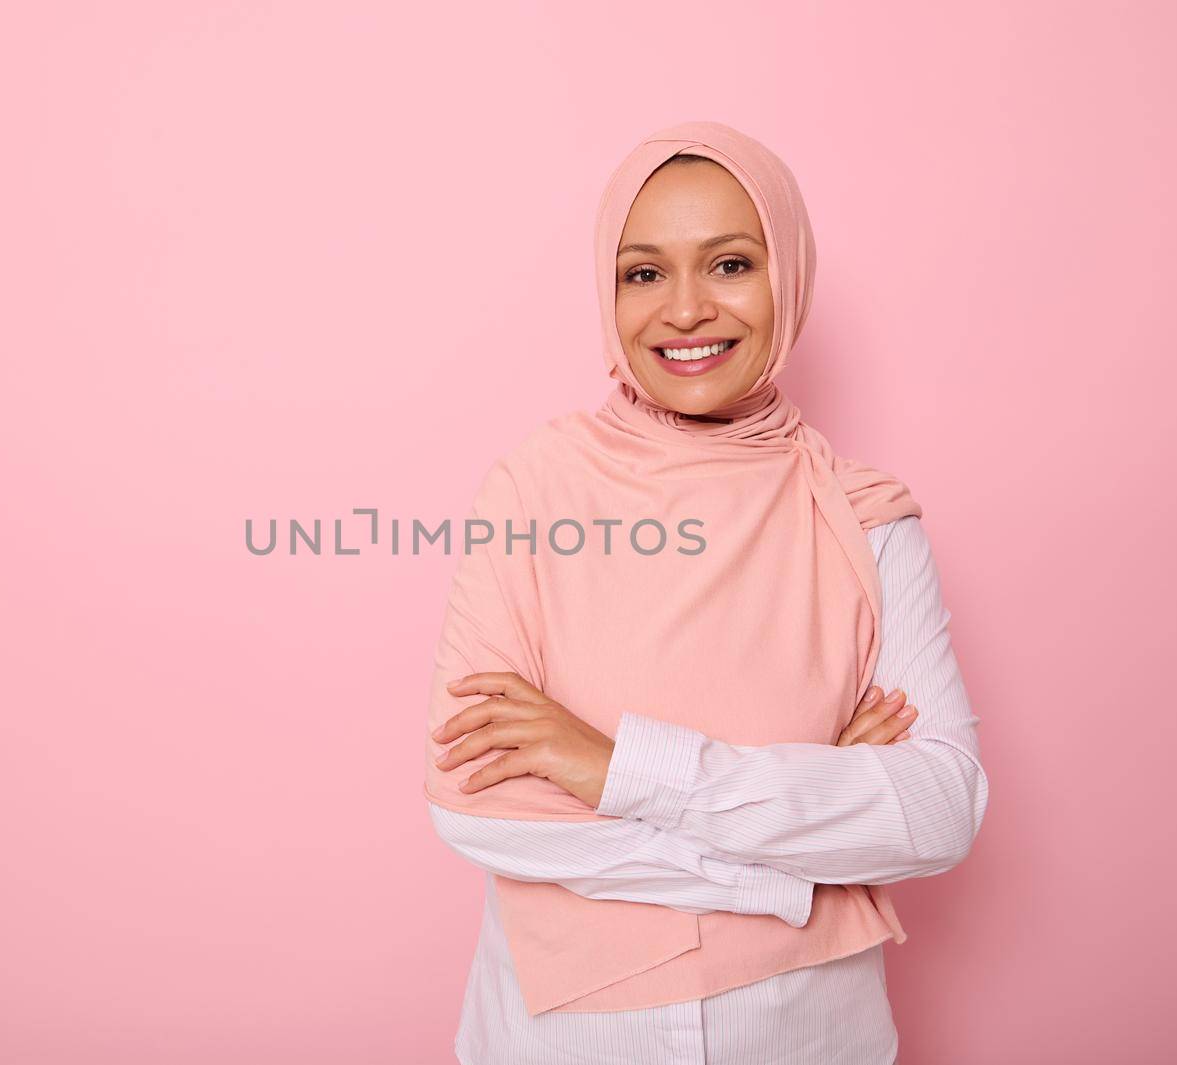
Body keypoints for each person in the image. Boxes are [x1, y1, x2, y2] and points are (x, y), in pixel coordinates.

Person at [422, 121, 988, 1065]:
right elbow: (474, 804)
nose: (684, 310)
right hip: (565, 1039)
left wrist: (615, 768)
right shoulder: (537, 490)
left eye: (729, 264)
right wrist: (801, 855)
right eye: (643, 274)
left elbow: (939, 808)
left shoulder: (866, 517)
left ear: (788, 277)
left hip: (808, 1036)